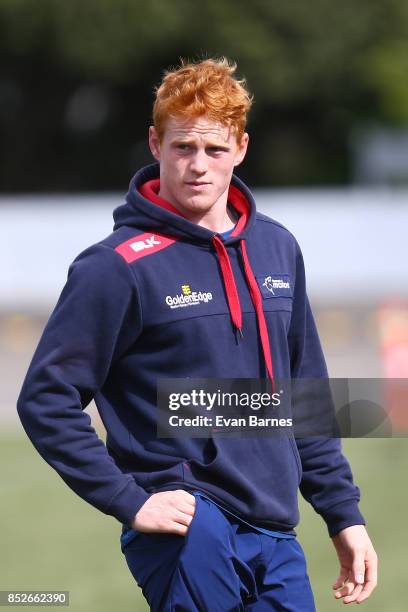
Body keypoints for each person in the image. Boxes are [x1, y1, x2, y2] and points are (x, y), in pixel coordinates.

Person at [17, 57, 377, 611]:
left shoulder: (277, 247)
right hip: (189, 525)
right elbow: (46, 397)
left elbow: (302, 396)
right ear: (155, 144)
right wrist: (127, 500)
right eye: (183, 147)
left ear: (242, 148)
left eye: (214, 149)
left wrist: (342, 514)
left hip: (277, 525)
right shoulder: (115, 267)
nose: (198, 166)